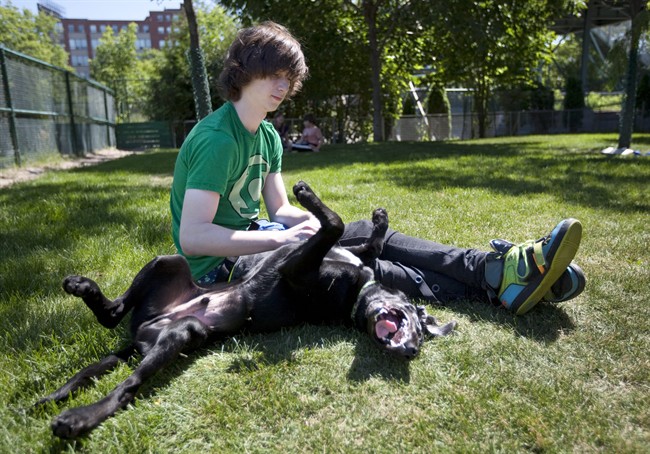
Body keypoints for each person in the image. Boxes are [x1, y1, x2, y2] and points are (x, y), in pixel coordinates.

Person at [170, 21, 585, 316]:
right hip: (221, 274)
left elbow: (279, 208)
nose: (283, 85)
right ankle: (502, 281)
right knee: (353, 263)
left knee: (364, 233)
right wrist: (280, 242)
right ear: (244, 71)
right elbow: (193, 239)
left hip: (262, 236)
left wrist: (312, 226)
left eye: (289, 76)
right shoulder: (217, 140)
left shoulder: (267, 136)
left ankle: (495, 271)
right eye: (273, 74)